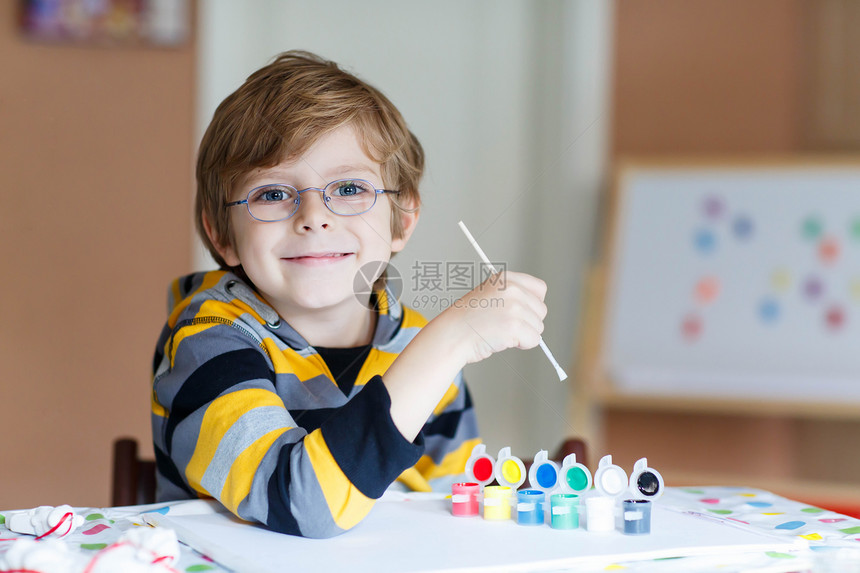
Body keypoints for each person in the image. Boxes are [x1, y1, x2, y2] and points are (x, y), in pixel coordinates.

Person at [151, 50, 547, 538]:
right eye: (273, 194)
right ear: (222, 235)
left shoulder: (421, 343)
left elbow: (457, 514)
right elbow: (303, 504)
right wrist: (452, 341)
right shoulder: (205, 341)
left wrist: (440, 346)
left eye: (349, 188)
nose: (314, 216)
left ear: (401, 220)